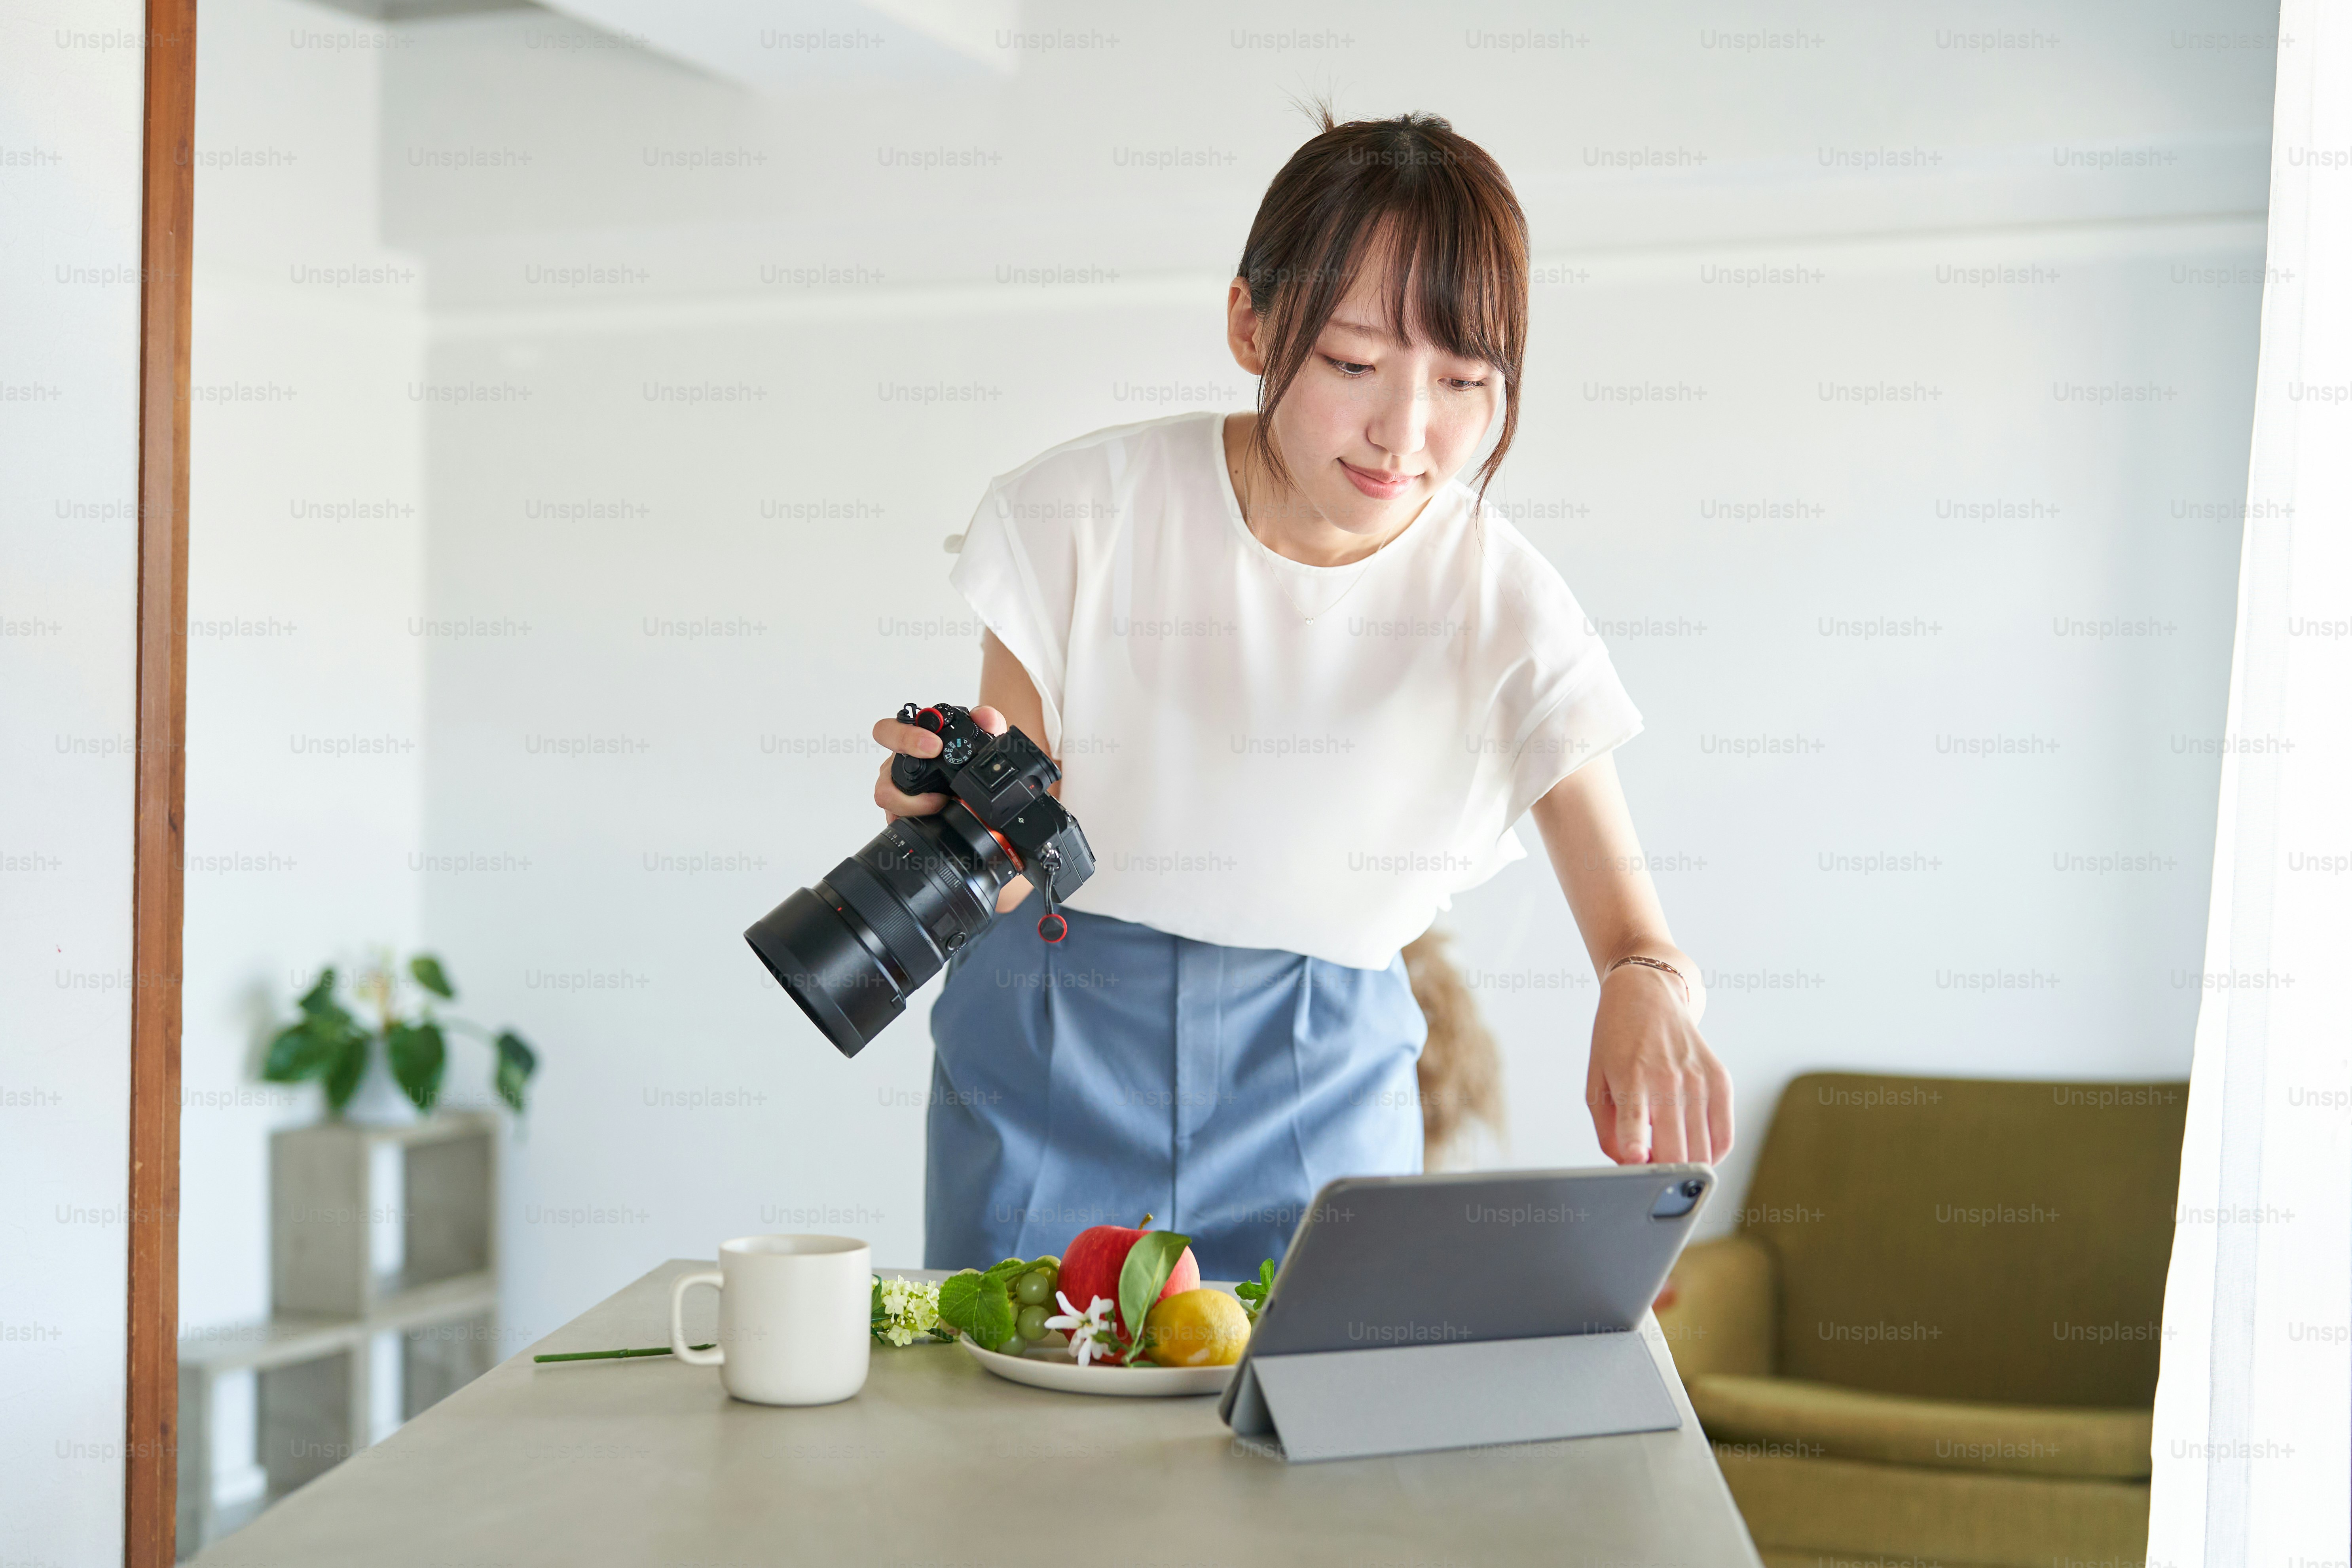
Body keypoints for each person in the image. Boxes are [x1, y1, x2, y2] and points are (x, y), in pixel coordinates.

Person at [878, 107, 1732, 1281]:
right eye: (1352, 364)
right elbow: (1011, 846)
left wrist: (1648, 994)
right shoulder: (1077, 514)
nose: (1405, 435)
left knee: (1309, 1388)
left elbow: (1639, 939)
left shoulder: (1504, 601)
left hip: (1321, 1076)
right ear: (1252, 322)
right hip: (1050, 1032)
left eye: (1464, 381)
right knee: (1017, 1384)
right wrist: (946, 808)